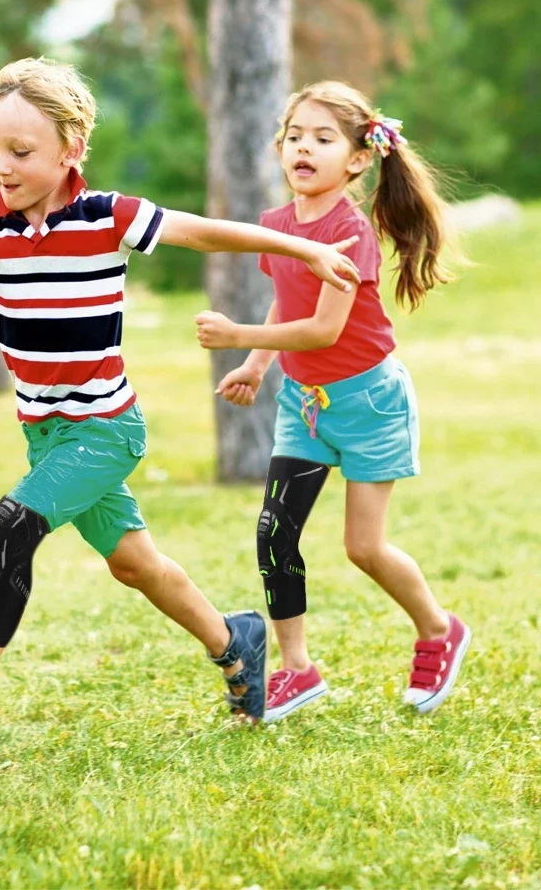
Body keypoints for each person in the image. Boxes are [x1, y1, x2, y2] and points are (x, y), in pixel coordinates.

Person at [0, 58, 360, 752]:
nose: (3, 164)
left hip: (107, 429)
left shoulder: (107, 216)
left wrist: (302, 247)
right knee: (134, 564)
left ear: (70, 151)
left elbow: (207, 231)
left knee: (12, 526)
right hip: (46, 436)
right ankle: (235, 641)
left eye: (21, 152)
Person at [196, 80, 469, 722]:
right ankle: (298, 670)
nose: (303, 148)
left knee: (363, 549)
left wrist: (240, 335)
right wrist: (257, 364)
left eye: (323, 138)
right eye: (295, 136)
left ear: (356, 159)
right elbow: (286, 300)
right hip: (304, 403)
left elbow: (324, 329)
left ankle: (437, 629)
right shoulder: (281, 226)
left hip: (370, 403)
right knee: (274, 533)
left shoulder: (350, 234)